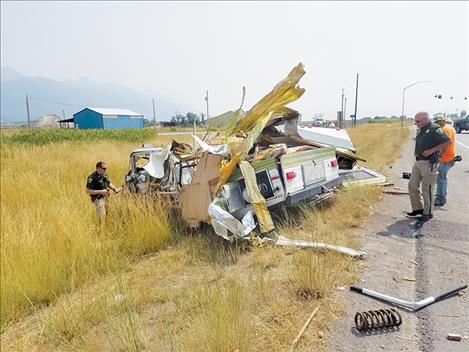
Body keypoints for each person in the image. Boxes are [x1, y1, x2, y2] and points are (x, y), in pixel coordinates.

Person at [407, 112, 450, 221]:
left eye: (418, 121)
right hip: (418, 162)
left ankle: (428, 212)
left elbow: (447, 141)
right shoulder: (421, 128)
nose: (415, 123)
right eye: (415, 121)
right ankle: (417, 209)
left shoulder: (435, 128)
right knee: (412, 185)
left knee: (427, 187)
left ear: (426, 119)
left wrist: (433, 151)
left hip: (429, 163)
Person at [86, 161, 121, 226]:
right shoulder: (92, 177)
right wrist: (101, 191)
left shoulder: (103, 175)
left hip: (106, 198)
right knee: (101, 216)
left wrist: (114, 189)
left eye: (106, 168)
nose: (105, 170)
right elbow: (88, 191)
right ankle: (98, 232)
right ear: (98, 168)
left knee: (107, 215)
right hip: (98, 199)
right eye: (104, 168)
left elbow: (108, 183)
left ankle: (104, 229)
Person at [434, 115, 456, 206]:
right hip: (448, 157)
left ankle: (440, 198)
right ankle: (441, 195)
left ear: (442, 121)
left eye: (438, 122)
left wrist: (440, 155)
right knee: (441, 178)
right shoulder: (447, 128)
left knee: (441, 178)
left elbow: (447, 143)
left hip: (445, 158)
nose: (437, 124)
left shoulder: (445, 129)